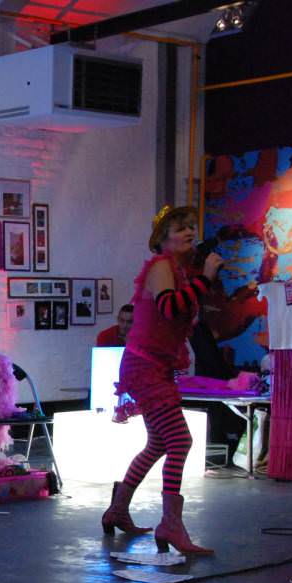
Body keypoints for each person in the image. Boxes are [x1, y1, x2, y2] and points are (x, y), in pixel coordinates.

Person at [100, 205, 223, 554]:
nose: (189, 232)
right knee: (180, 440)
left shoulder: (177, 272)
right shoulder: (160, 267)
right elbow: (170, 307)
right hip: (145, 366)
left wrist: (200, 279)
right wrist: (205, 278)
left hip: (153, 365)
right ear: (162, 238)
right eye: (180, 228)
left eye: (191, 227)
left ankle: (118, 509)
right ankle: (170, 524)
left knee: (158, 443)